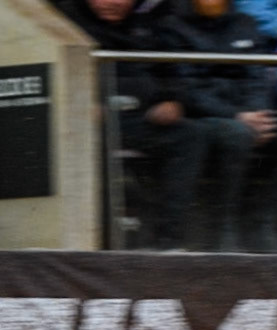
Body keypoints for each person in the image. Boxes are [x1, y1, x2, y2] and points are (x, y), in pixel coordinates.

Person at [161, 0, 277, 251]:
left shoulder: (246, 24)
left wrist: (256, 113)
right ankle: (225, 224)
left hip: (248, 113)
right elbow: (186, 89)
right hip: (203, 117)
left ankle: (265, 221)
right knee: (238, 134)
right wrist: (237, 115)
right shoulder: (173, 27)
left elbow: (258, 76)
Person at [56, 0, 209, 249]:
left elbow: (175, 73)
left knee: (190, 136)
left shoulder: (149, 25)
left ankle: (168, 243)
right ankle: (98, 241)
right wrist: (78, 104)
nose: (112, 2)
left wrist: (172, 101)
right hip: (87, 125)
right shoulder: (65, 21)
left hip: (138, 120)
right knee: (93, 144)